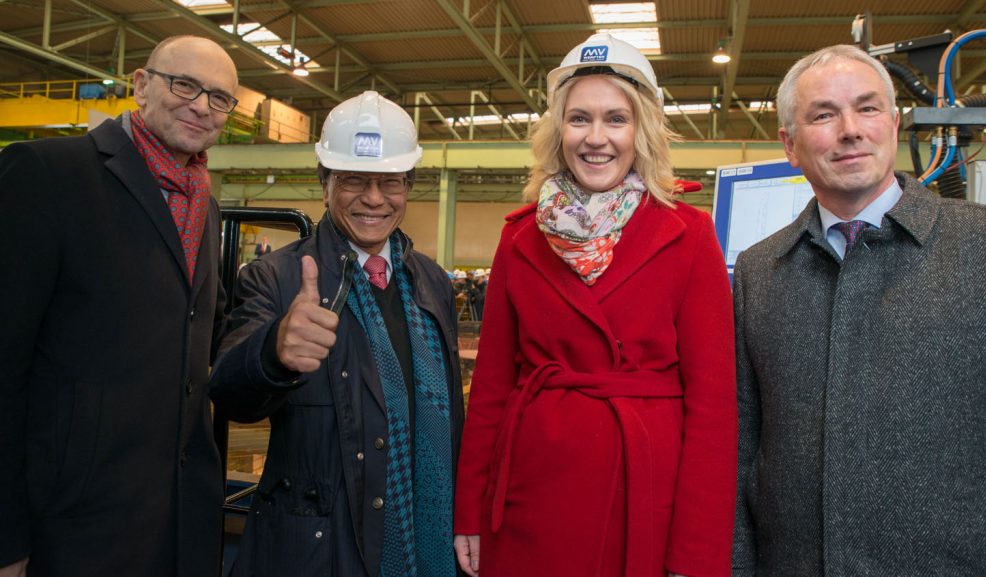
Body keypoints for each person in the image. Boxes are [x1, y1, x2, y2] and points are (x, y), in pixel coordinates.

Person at [732, 44, 986, 576]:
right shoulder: (758, 271)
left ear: (892, 123)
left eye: (867, 108)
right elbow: (743, 451)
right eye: (823, 114)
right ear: (790, 145)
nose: (850, 129)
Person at [454, 33, 737, 577]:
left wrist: (698, 553)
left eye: (616, 119)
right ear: (558, 130)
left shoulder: (688, 234)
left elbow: (713, 408)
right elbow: (490, 388)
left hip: (643, 490)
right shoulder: (520, 238)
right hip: (530, 496)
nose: (596, 138)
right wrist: (471, 511)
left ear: (642, 131)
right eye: (579, 118)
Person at [0, 35, 237, 577]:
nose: (202, 105)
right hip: (74, 526)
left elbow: (201, 335)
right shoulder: (46, 174)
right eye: (185, 85)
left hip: (178, 524)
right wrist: (6, 538)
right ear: (141, 85)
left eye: (220, 98)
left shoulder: (207, 208)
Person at [209, 90, 464, 577]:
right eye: (353, 181)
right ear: (324, 183)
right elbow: (230, 392)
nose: (374, 199)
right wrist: (272, 353)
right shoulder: (277, 277)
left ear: (408, 186)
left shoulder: (429, 280)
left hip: (426, 534)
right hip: (321, 548)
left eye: (390, 182)